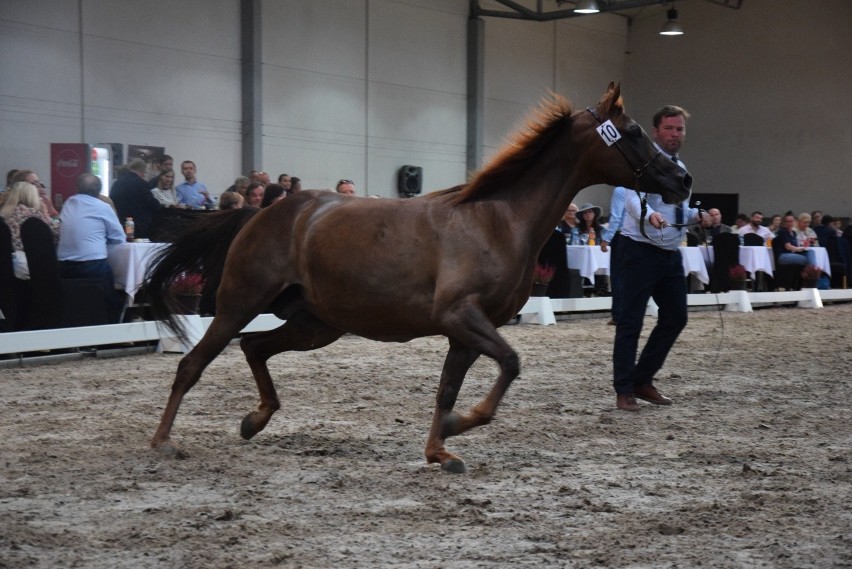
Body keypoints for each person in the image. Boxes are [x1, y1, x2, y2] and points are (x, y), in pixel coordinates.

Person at [612, 104, 708, 412]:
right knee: (631, 322)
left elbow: (678, 212)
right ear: (656, 131)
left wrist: (701, 216)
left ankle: (642, 379)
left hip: (669, 254)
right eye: (669, 128)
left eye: (679, 129)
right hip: (638, 250)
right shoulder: (642, 161)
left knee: (676, 317)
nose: (675, 134)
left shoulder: (681, 167)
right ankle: (624, 389)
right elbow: (629, 197)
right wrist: (649, 214)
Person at [57, 173, 126, 322]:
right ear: (99, 191)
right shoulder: (103, 207)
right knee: (111, 296)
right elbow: (119, 237)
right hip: (91, 265)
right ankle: (111, 329)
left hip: (63, 266)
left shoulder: (68, 203)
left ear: (77, 188)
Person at [0, 181, 58, 279]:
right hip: (30, 269)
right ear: (32, 197)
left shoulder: (4, 214)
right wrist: (46, 213)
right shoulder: (33, 214)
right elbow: (55, 235)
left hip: (6, 270)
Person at [109, 158, 161, 239]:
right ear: (142, 171)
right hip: (139, 227)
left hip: (119, 224)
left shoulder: (116, 183)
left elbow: (111, 202)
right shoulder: (142, 184)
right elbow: (152, 204)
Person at [601, 187, 628, 325]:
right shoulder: (642, 190)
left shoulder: (620, 190)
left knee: (617, 277)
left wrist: (606, 238)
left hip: (622, 236)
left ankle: (618, 315)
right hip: (638, 237)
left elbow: (616, 216)